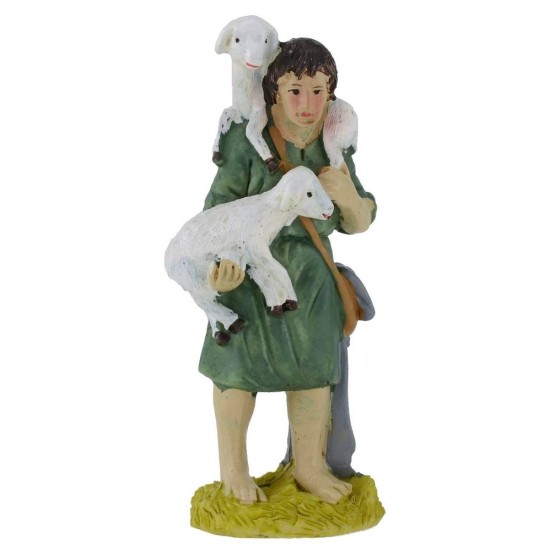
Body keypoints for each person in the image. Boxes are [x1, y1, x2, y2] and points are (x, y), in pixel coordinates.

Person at [199, 38, 377, 505]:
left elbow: (359, 221)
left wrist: (349, 197)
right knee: (235, 370)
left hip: (308, 279)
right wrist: (217, 269)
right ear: (274, 91)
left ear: (332, 93)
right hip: (246, 269)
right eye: (295, 90)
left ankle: (310, 467)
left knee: (313, 372)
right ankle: (233, 471)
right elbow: (216, 210)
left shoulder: (332, 143)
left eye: (319, 91)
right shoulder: (246, 138)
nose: (307, 104)